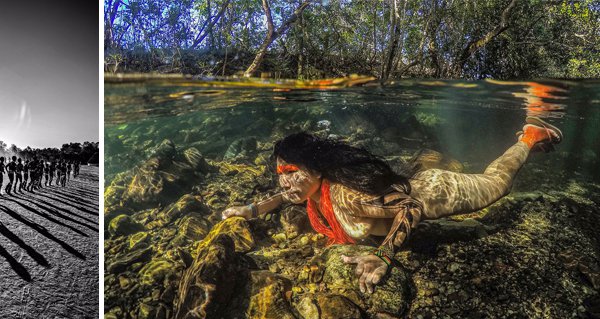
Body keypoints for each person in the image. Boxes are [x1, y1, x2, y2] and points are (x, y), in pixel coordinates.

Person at [220, 119, 562, 294]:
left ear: (316, 168)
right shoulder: (312, 188)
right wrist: (252, 210)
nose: (284, 182)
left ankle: (529, 137)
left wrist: (383, 255)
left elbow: (411, 208)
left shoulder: (346, 196)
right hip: (413, 181)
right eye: (280, 172)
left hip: (434, 192)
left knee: (496, 183)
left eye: (292, 171)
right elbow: (288, 195)